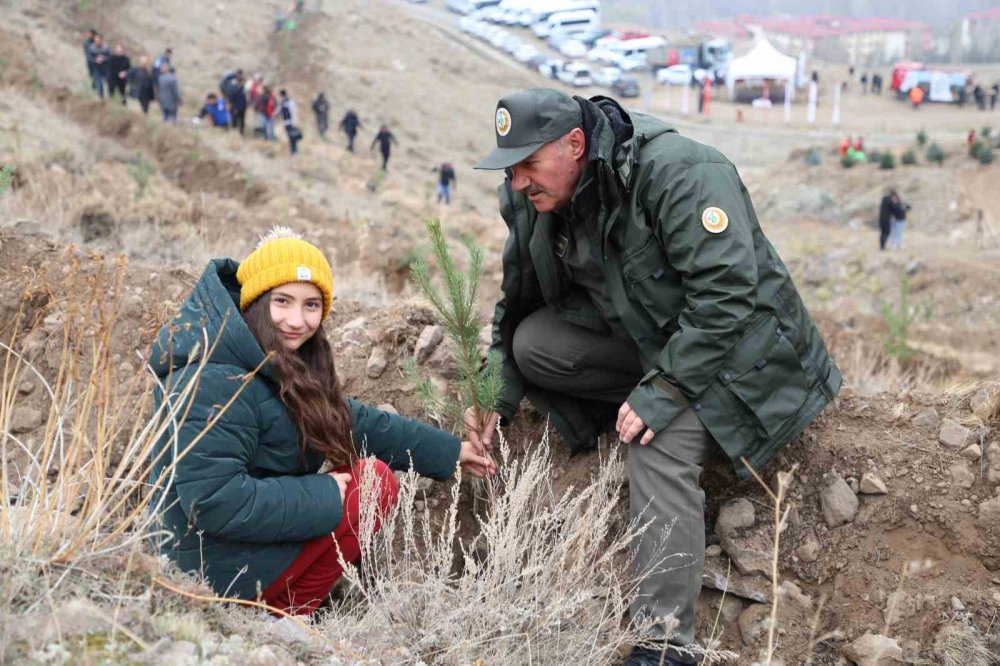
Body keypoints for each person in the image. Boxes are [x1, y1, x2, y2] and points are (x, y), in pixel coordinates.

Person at [468, 88, 840, 665]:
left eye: (527, 165)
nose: (517, 182)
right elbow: (515, 301)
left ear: (574, 144)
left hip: (740, 359)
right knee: (533, 345)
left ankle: (665, 643)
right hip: (648, 341)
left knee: (653, 441)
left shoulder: (681, 173)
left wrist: (664, 391)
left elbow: (726, 299)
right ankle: (629, 404)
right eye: (509, 168)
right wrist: (495, 394)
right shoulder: (535, 194)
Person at [147, 227, 495, 616]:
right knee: (370, 485)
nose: (297, 320)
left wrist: (451, 451)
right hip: (202, 569)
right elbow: (216, 502)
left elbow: (352, 422)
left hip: (228, 552)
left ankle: (279, 614)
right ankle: (280, 614)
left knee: (370, 477)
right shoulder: (213, 378)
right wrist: (325, 493)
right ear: (255, 300)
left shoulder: (267, 358)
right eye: (283, 301)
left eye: (311, 305)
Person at [85, 32, 110, 98]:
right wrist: (95, 60)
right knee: (99, 82)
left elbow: (110, 57)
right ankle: (100, 97)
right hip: (95, 68)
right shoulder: (91, 48)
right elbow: (89, 58)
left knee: (107, 82)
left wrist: (104, 58)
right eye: (96, 40)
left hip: (105, 68)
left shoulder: (106, 48)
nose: (97, 41)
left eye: (99, 40)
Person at [279, 89, 302, 155]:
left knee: (293, 137)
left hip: (290, 122)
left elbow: (293, 112)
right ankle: (293, 151)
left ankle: (295, 151)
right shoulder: (284, 102)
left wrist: (294, 122)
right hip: (286, 122)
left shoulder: (289, 102)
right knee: (290, 137)